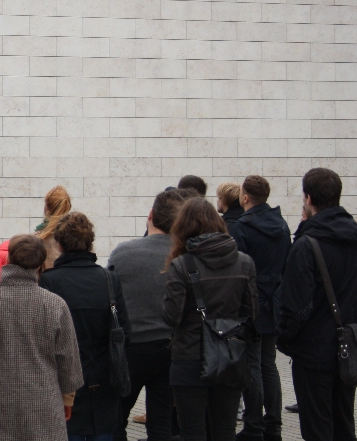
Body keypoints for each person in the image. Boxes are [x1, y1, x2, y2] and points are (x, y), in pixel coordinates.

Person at [0, 234, 84, 440]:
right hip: (44, 407)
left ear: (8, 260)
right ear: (41, 264)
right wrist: (67, 399)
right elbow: (68, 361)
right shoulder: (56, 304)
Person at [277, 168, 357, 441]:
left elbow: (295, 307)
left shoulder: (306, 244)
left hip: (313, 353)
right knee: (344, 424)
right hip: (349, 348)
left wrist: (285, 341)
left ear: (307, 198)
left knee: (317, 428)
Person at [162, 197, 257, 441]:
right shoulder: (245, 262)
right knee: (225, 431)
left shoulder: (182, 265)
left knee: (192, 432)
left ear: (183, 228)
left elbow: (172, 317)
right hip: (230, 356)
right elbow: (252, 314)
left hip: (189, 357)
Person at [108, 189, 191, 441]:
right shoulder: (185, 257)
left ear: (151, 215)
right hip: (170, 349)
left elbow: (108, 298)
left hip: (130, 350)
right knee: (161, 422)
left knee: (116, 418)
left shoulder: (123, 253)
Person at [40, 212, 130, 441]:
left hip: (65, 384)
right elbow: (124, 332)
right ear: (90, 242)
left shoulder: (50, 281)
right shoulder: (109, 279)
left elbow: (44, 337)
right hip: (105, 379)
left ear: (59, 245)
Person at [227, 176, 289, 441]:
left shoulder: (241, 227)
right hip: (275, 302)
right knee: (268, 365)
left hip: (251, 303)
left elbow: (238, 268)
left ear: (245, 197)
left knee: (252, 365)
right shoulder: (282, 225)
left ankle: (254, 426)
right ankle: (273, 425)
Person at [0, 185, 71, 286]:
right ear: (67, 208)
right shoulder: (75, 238)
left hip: (42, 293)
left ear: (46, 208)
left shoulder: (36, 239)